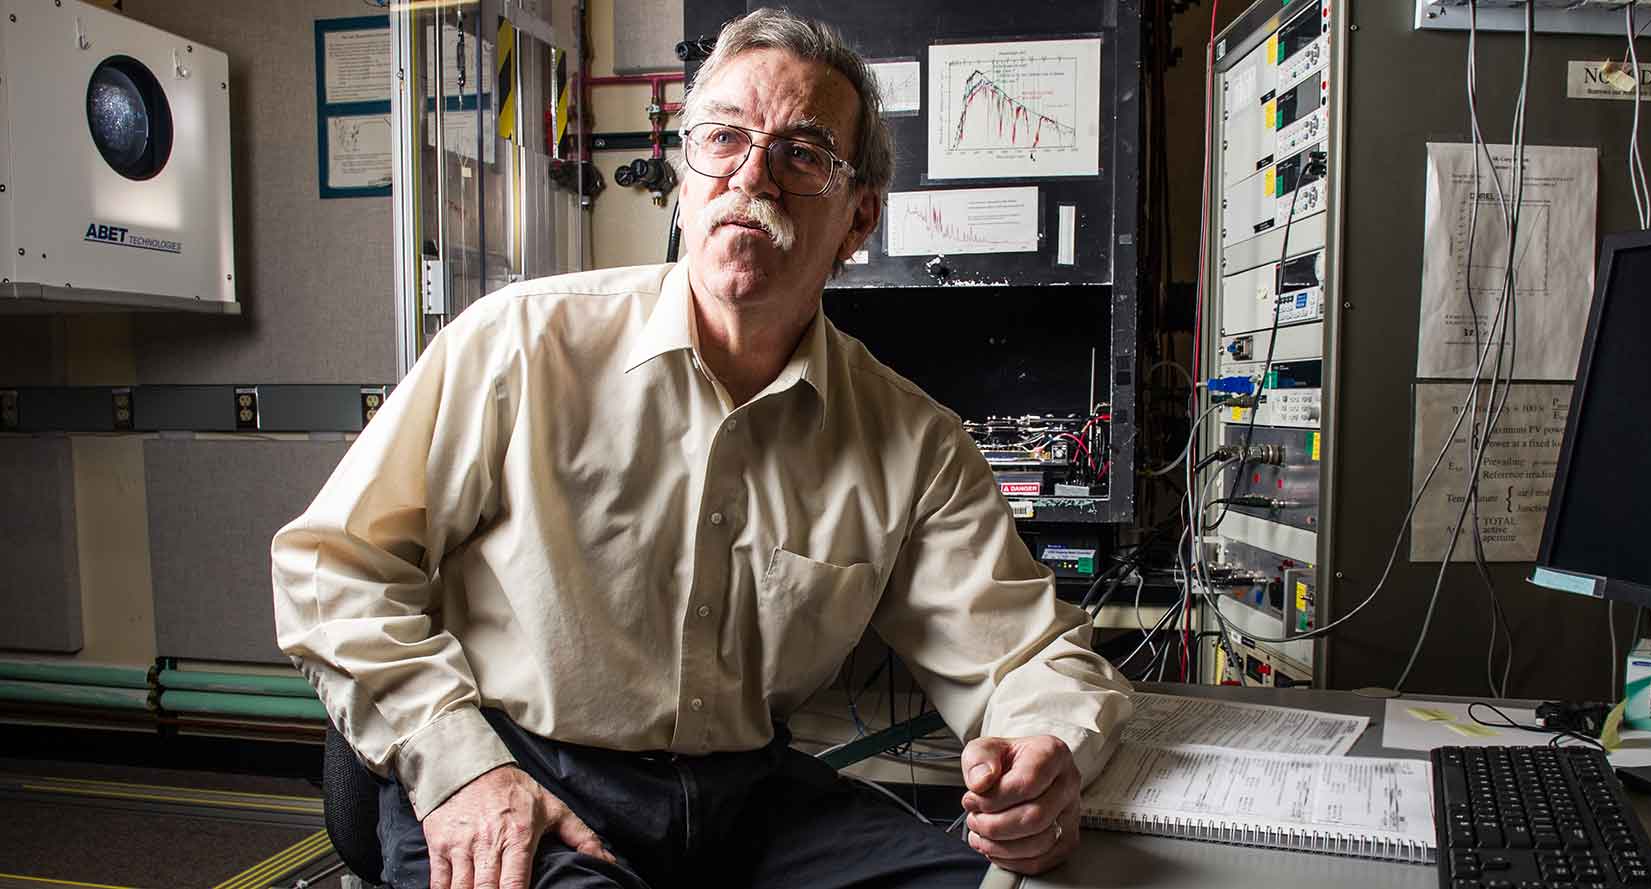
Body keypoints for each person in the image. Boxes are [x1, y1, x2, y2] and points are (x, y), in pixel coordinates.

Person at [272, 9, 1131, 889]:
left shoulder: (912, 442)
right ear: (686, 174)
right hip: (520, 771)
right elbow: (331, 568)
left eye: (801, 154)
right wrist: (456, 760)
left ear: (859, 217)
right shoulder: (521, 347)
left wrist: (1045, 750)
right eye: (722, 138)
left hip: (744, 804)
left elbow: (1030, 656)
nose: (750, 175)